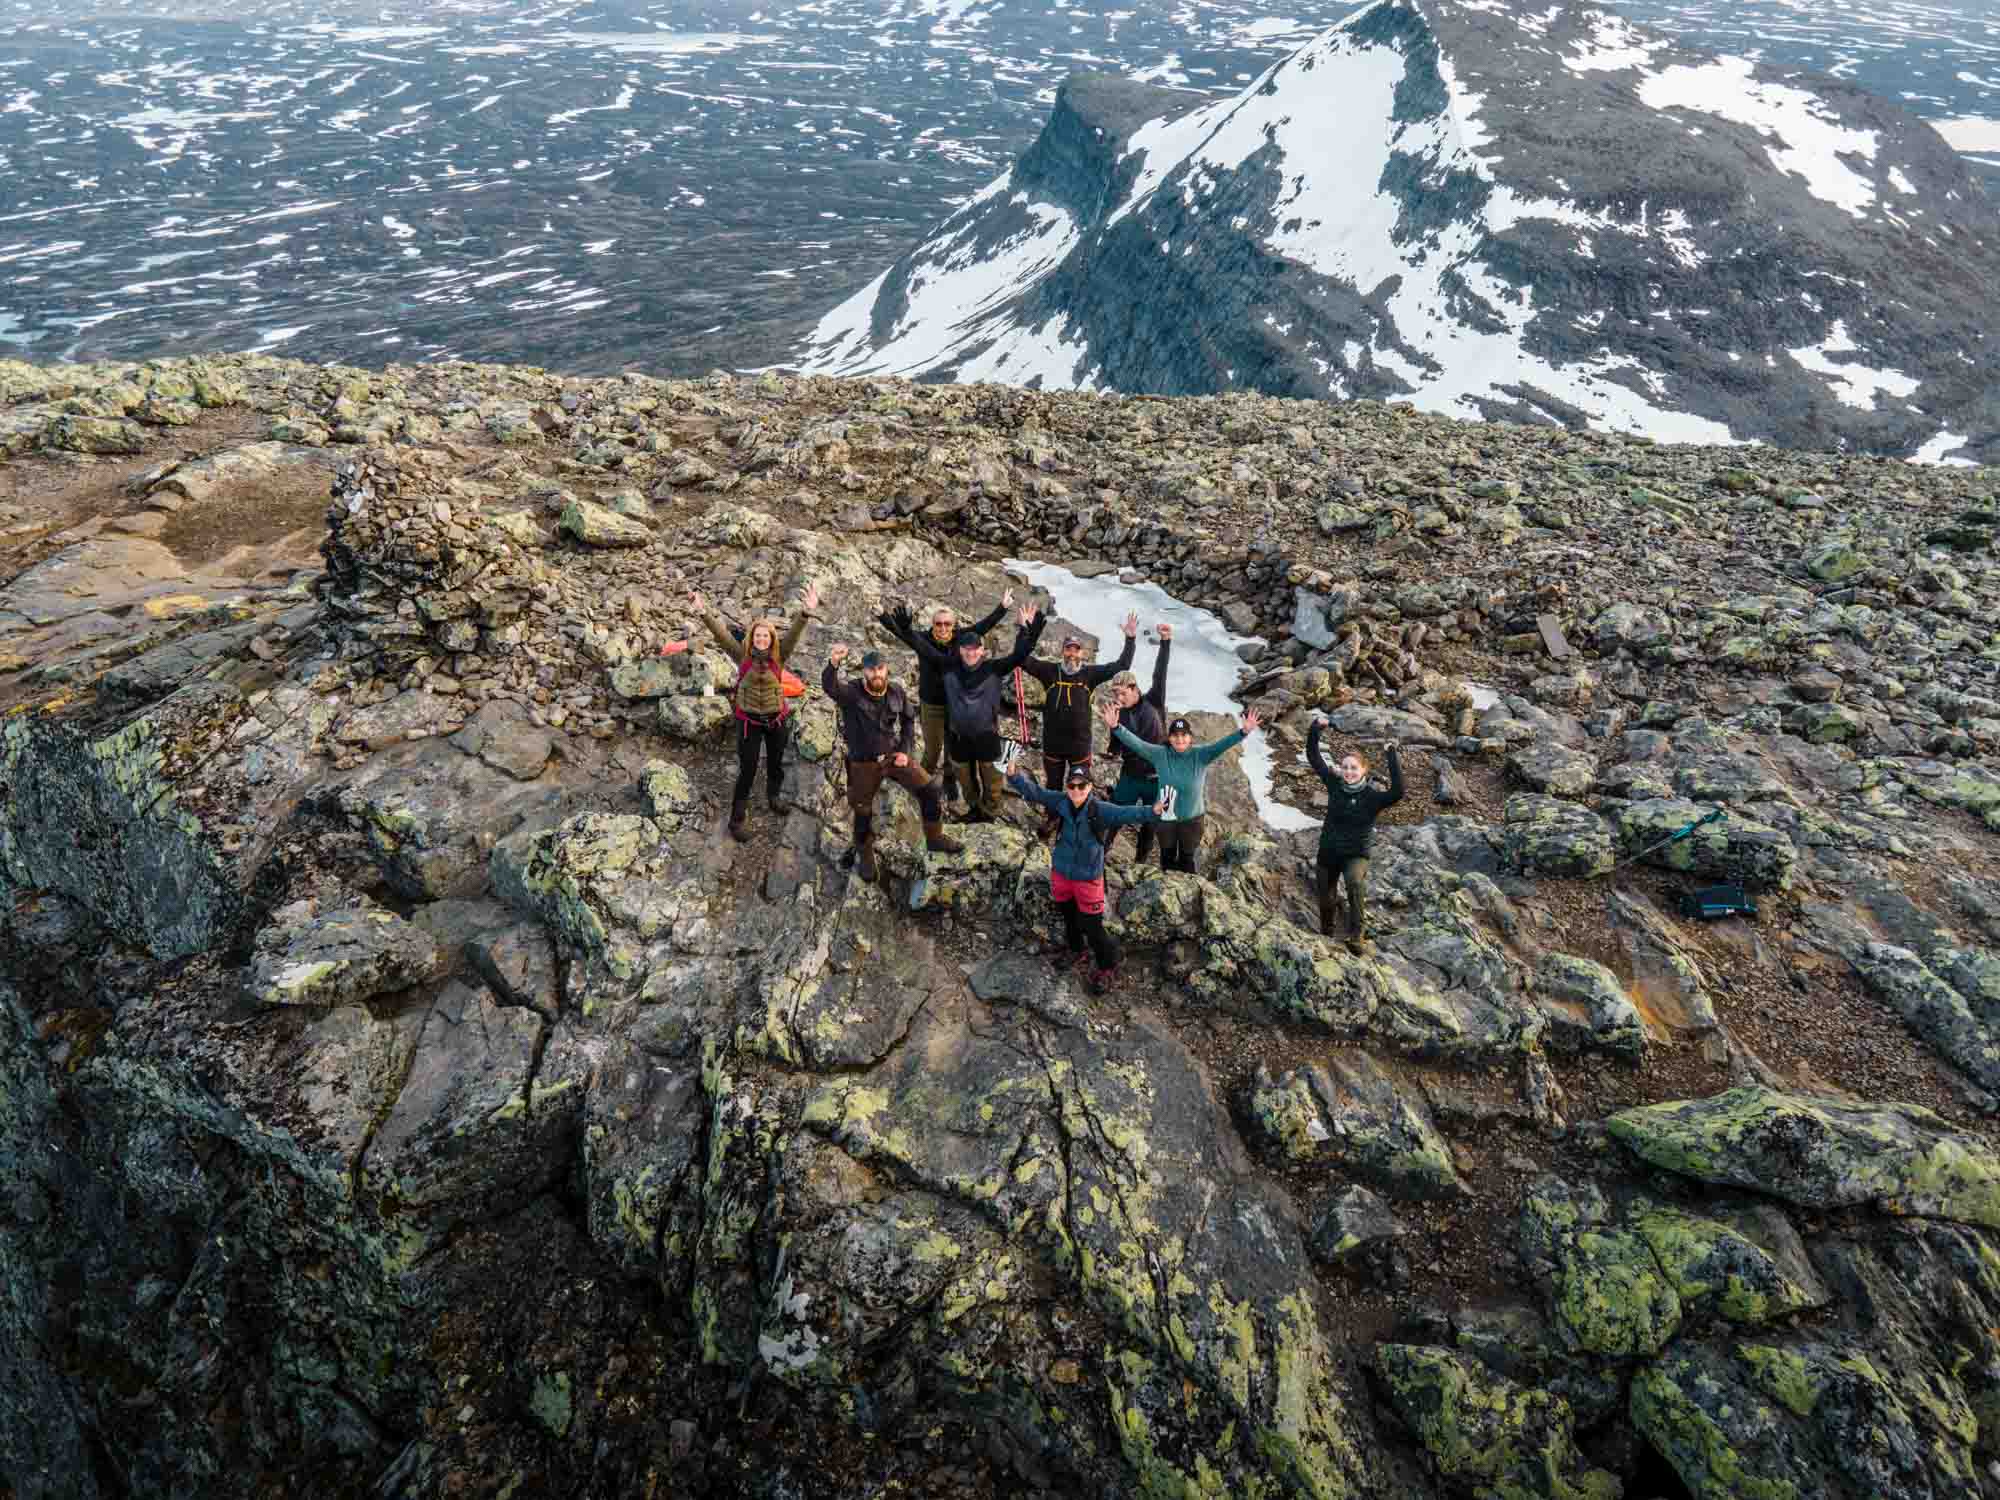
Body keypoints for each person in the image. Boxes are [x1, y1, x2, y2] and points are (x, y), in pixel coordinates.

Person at [1006, 763, 1162, 994]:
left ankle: (1107, 966)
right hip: (1061, 874)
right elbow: (1036, 793)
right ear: (1067, 786)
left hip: (1088, 879)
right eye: (1072, 785)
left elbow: (1127, 812)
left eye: (1082, 786)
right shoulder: (1061, 801)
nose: (1076, 790)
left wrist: (1153, 810)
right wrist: (1014, 776)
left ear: (1090, 787)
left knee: (1093, 926)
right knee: (1069, 917)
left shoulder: (1100, 810)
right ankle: (1076, 950)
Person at [823, 644, 962, 879]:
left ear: (886, 669)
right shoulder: (852, 692)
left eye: (880, 669)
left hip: (892, 756)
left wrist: (905, 750)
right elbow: (830, 687)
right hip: (863, 763)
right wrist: (833, 663)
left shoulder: (896, 691)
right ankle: (865, 854)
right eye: (871, 670)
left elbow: (908, 720)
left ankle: (935, 837)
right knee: (862, 811)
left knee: (930, 789)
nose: (876, 674)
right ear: (864, 671)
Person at [694, 582, 817, 841]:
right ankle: (736, 820)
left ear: (771, 639)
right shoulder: (742, 655)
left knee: (775, 762)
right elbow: (721, 635)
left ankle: (774, 796)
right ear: (752, 637)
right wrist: (703, 612)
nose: (762, 639)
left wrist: (806, 612)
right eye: (758, 635)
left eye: (766, 636)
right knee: (748, 770)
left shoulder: (779, 656)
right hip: (748, 723)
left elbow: (794, 633)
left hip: (776, 720)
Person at [878, 591, 1013, 806]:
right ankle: (921, 784)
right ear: (932, 624)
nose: (942, 628)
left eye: (947, 624)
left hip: (956, 705)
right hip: (931, 704)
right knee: (932, 751)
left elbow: (983, 627)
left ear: (953, 625)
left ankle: (949, 781)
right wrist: (882, 615)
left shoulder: (961, 638)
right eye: (938, 624)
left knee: (953, 749)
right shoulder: (923, 639)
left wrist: (1003, 608)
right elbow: (900, 632)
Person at [1102, 701, 1261, 875]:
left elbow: (1223, 744)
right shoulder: (1160, 754)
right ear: (1169, 738)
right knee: (1167, 858)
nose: (1180, 739)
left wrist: (1243, 732)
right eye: (1175, 735)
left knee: (1187, 860)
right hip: (1165, 819)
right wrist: (1116, 727)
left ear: (1190, 737)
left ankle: (1188, 888)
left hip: (1192, 821)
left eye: (1184, 735)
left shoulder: (1201, 755)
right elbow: (1138, 744)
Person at [1018, 612, 1137, 836]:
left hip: (1079, 747)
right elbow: (1021, 659)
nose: (1072, 654)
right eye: (1068, 649)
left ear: (1083, 653)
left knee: (1079, 786)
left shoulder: (1090, 674)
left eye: (1076, 649)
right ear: (1062, 651)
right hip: (1053, 745)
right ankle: (1053, 819)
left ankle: (1078, 822)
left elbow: (1122, 664)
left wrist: (1130, 638)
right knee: (1053, 787)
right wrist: (1024, 629)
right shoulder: (1049, 671)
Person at [930, 603, 1047, 822]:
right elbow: (922, 645)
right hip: (959, 739)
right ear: (960, 650)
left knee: (992, 781)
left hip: (987, 737)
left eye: (975, 648)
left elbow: (1019, 655)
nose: (971, 652)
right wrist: (893, 623)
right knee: (966, 781)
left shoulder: (994, 668)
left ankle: (989, 814)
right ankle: (974, 809)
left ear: (982, 650)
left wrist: (1028, 631)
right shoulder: (948, 667)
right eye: (967, 648)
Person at [1306, 718, 1404, 954]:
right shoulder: (1334, 784)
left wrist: (1391, 753)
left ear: (1364, 771)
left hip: (1356, 854)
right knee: (1326, 897)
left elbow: (1398, 791)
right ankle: (1327, 932)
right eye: (1345, 767)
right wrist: (1316, 729)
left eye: (1354, 768)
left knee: (1354, 882)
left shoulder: (1372, 797)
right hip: (1329, 852)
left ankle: (1357, 934)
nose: (1348, 772)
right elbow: (1314, 757)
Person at [1102, 623, 1172, 865]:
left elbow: (1160, 672)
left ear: (1134, 689)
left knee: (1151, 823)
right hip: (1130, 775)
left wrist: (1165, 642)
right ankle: (1100, 853)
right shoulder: (1118, 713)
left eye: (1122, 693)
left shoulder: (1154, 700)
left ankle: (1140, 863)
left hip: (1157, 777)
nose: (1118, 698)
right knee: (1116, 814)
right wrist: (1111, 753)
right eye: (1115, 694)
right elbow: (1115, 744)